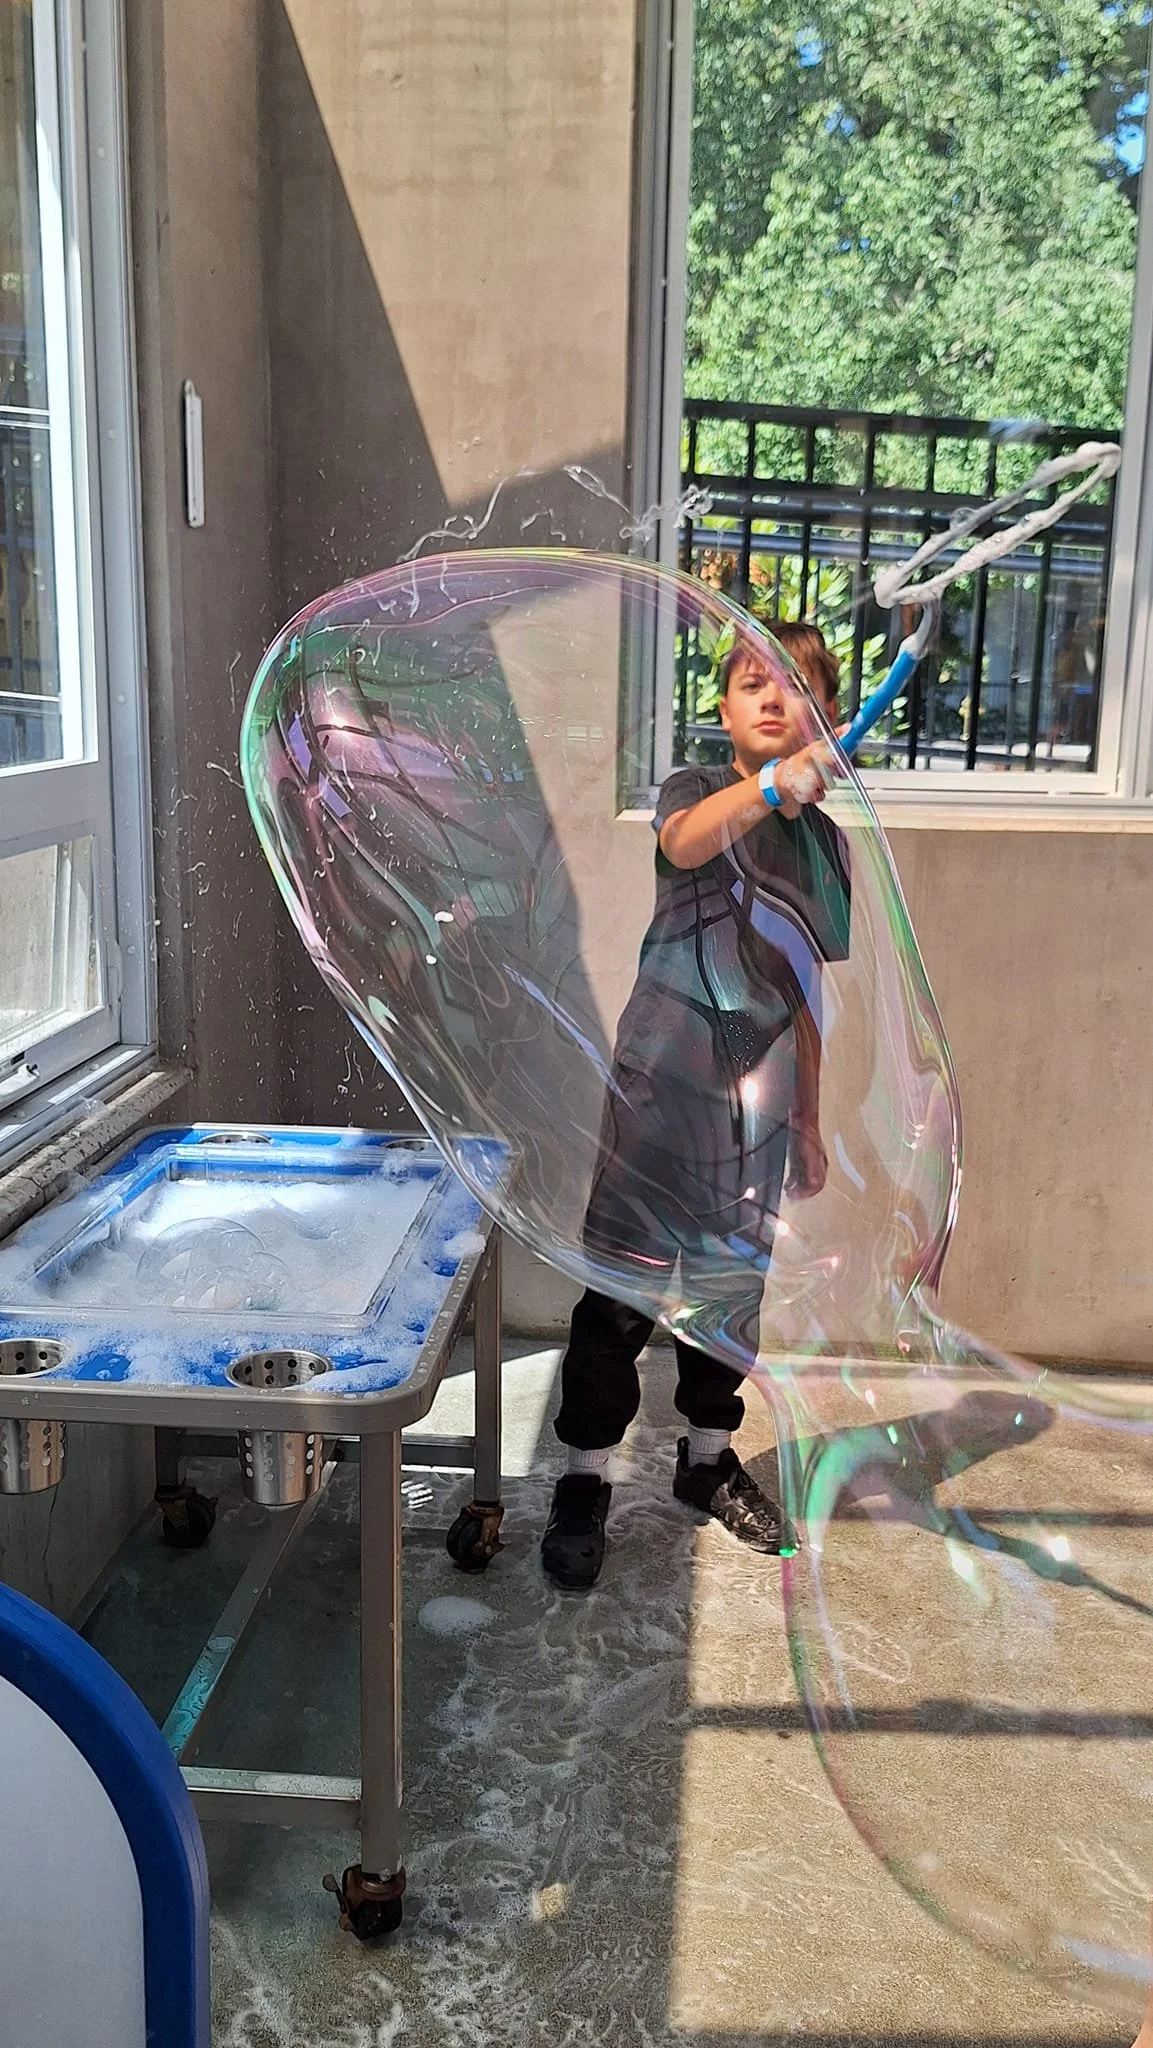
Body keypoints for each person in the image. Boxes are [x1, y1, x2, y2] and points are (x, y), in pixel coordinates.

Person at [541, 618, 850, 1589]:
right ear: (722, 712)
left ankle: (706, 1463)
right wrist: (768, 787)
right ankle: (584, 1476)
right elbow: (684, 839)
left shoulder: (829, 849)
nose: (768, 694)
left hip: (750, 1107)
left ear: (826, 718)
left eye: (793, 684)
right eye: (749, 680)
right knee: (620, 1295)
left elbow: (801, 988)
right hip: (656, 1094)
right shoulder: (695, 792)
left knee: (726, 1296)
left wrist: (805, 1112)